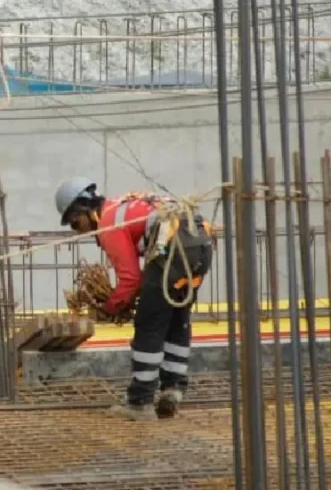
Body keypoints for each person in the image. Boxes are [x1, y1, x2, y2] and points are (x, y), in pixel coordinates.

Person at [54, 177, 213, 420]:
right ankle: (173, 389)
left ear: (83, 209)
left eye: (75, 223)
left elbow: (130, 279)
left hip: (174, 247)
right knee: (175, 317)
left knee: (149, 323)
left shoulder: (109, 221)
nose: (80, 230)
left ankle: (140, 402)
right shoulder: (123, 205)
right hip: (200, 245)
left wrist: (112, 306)